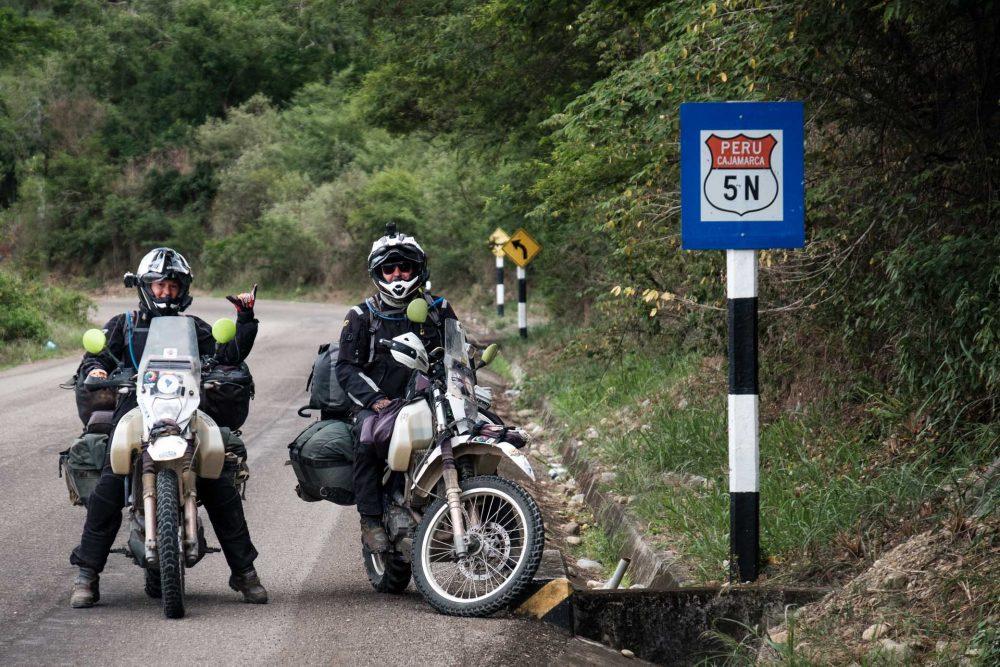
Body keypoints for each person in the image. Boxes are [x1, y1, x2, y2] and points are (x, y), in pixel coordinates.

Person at [69, 247, 268, 608]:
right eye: (159, 285)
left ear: (184, 288)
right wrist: (95, 370)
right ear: (146, 286)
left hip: (187, 409)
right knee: (109, 488)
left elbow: (228, 354)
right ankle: (87, 575)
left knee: (219, 484)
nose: (166, 293)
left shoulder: (193, 327)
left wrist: (245, 319)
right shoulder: (123, 325)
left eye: (173, 287)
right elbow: (94, 357)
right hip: (134, 409)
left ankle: (245, 573)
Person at [335, 224, 457, 552]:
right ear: (379, 273)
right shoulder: (361, 316)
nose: (397, 275)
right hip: (382, 402)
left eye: (404, 267)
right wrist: (374, 400)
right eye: (389, 269)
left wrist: (461, 385)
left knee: (475, 430)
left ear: (418, 269)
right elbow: (345, 367)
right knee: (367, 438)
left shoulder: (438, 310)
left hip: (433, 398)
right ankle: (371, 518)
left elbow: (458, 356)